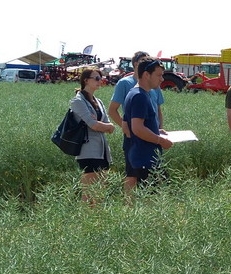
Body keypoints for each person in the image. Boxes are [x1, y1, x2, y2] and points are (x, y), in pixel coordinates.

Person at [122, 58, 174, 194]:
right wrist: (160, 140)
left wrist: (155, 131)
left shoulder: (136, 93)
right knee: (151, 201)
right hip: (145, 159)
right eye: (159, 75)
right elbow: (137, 128)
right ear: (146, 74)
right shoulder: (140, 96)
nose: (162, 79)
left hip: (143, 157)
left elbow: (130, 125)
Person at [70, 67, 116, 203]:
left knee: (100, 191)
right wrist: (104, 126)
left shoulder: (99, 101)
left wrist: (104, 126)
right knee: (88, 193)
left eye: (100, 78)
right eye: (96, 78)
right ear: (86, 80)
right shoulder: (77, 101)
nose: (100, 81)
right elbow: (94, 125)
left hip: (102, 151)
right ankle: (86, 216)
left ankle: (97, 215)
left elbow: (107, 124)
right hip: (88, 151)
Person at [108, 51, 165, 136]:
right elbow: (112, 110)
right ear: (135, 64)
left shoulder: (154, 84)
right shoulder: (124, 83)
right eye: (143, 61)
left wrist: (159, 130)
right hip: (137, 137)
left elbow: (158, 109)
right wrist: (127, 129)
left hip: (153, 135)